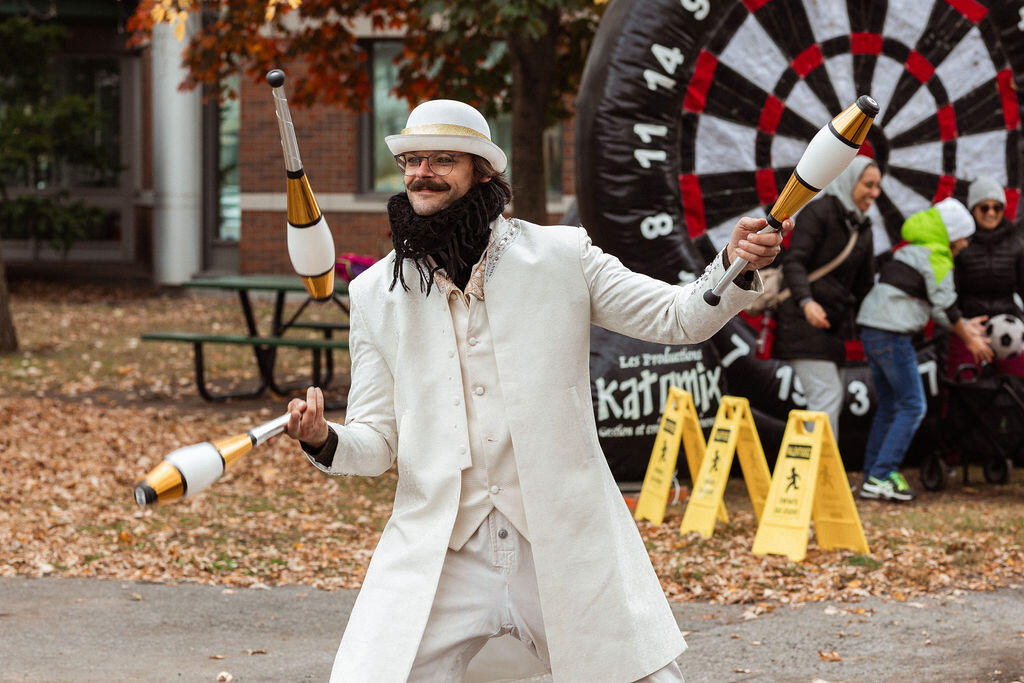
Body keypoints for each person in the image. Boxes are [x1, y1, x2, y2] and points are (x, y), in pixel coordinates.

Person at [282, 99, 784, 682]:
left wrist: (731, 264)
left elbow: (677, 318)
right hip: (443, 547)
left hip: (562, 538)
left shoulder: (562, 256)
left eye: (443, 160)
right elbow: (377, 440)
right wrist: (325, 439)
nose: (422, 173)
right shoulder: (375, 292)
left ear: (483, 173)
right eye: (412, 160)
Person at [855, 198, 993, 502]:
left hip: (872, 329)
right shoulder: (938, 256)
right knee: (913, 405)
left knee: (891, 405)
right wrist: (970, 340)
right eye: (965, 237)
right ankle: (881, 474)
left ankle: (871, 477)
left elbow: (937, 307)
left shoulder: (914, 250)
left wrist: (965, 326)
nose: (966, 244)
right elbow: (944, 305)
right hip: (893, 335)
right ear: (953, 234)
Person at [772, 156, 880, 437]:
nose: (874, 193)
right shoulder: (820, 212)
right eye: (868, 185)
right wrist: (807, 303)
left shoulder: (864, 228)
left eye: (878, 186)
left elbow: (864, 287)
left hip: (835, 329)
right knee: (826, 398)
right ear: (850, 181)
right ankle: (818, 475)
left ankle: (819, 473)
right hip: (801, 323)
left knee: (828, 400)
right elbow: (793, 262)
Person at [946, 175, 1024, 378]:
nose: (991, 213)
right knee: (963, 382)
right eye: (984, 207)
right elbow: (949, 294)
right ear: (973, 209)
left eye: (996, 207)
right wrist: (963, 326)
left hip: (1008, 324)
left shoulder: (1016, 244)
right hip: (970, 327)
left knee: (1017, 386)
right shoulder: (960, 244)